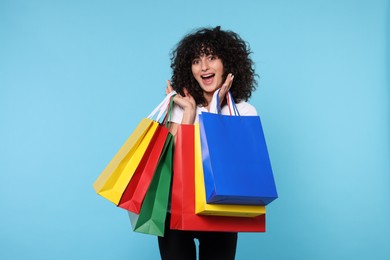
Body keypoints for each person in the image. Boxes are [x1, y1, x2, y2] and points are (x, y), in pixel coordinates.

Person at [159, 26, 258, 260]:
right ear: (189, 69)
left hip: (221, 212)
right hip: (174, 212)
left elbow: (234, 162)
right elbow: (166, 161)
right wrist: (189, 113)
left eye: (211, 58)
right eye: (196, 60)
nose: (204, 67)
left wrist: (215, 108)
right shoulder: (180, 107)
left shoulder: (244, 111)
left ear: (227, 64)